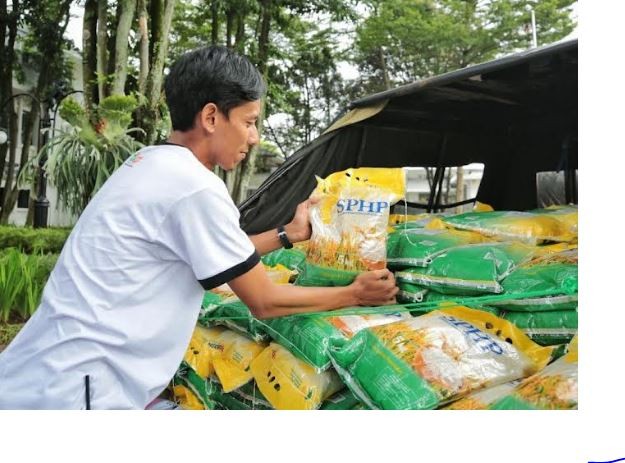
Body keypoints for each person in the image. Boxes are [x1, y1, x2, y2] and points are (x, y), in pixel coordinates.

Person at [0, 45, 397, 410]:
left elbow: (217, 256)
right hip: (75, 391)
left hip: (43, 370)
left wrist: (287, 235)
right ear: (211, 117)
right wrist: (353, 293)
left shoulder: (151, 163)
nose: (254, 138)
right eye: (249, 122)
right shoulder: (194, 187)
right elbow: (263, 300)